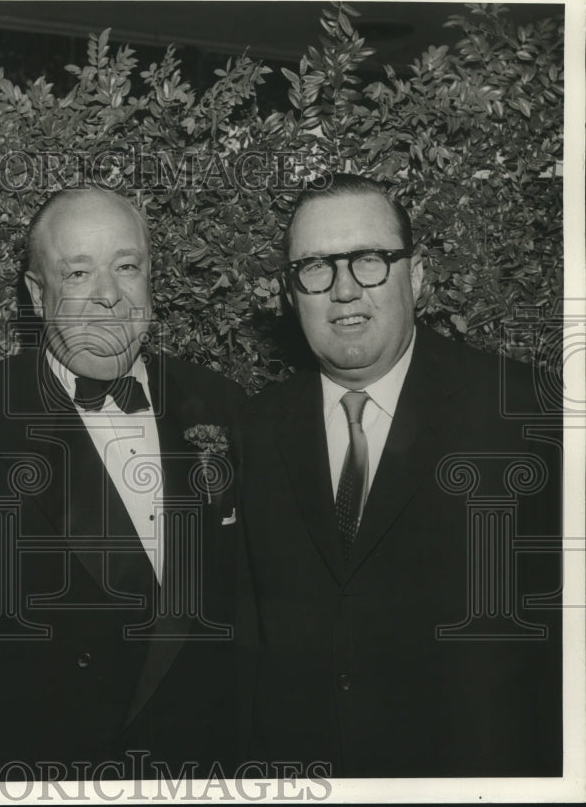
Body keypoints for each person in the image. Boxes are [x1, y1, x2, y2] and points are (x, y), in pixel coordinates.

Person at [0, 187, 252, 779]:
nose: (109, 296)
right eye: (79, 272)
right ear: (39, 296)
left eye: (126, 267)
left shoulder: (220, 404)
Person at [240, 173, 562, 777]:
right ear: (290, 294)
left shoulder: (525, 416)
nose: (343, 290)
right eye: (315, 267)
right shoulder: (255, 431)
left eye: (369, 260)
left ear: (417, 275)